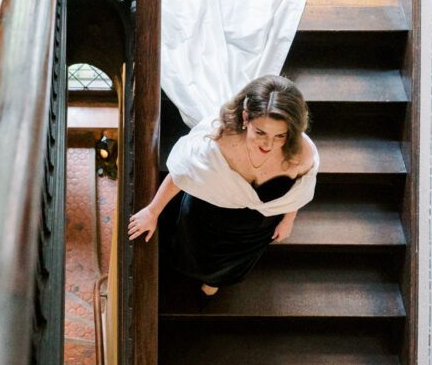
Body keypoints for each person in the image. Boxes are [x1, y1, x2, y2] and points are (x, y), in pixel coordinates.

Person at [127, 75, 318, 296]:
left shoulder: (300, 154)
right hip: (208, 217)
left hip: (255, 228)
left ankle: (216, 280)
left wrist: (288, 219)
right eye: (260, 132)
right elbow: (182, 173)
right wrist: (152, 211)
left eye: (280, 136)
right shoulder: (218, 140)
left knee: (233, 263)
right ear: (246, 117)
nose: (268, 144)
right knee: (195, 252)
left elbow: (298, 192)